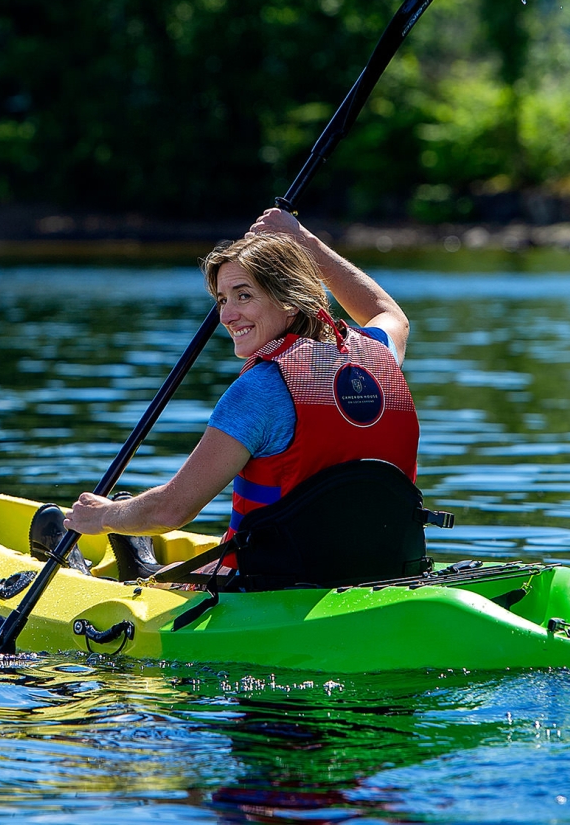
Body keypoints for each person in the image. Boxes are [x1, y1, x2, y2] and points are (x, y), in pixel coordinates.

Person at [63, 207, 419, 579]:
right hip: (382, 572)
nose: (227, 315)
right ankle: (141, 562)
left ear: (291, 300)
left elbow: (171, 511)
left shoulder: (260, 389)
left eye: (243, 296)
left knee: (149, 570)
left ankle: (111, 567)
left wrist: (102, 517)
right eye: (222, 300)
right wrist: (307, 242)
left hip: (270, 585)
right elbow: (388, 311)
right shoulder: (380, 356)